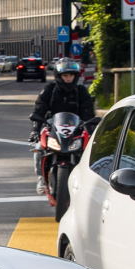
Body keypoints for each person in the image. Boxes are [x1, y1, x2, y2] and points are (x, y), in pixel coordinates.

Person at [29, 57, 97, 191]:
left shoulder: (81, 91)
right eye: (65, 75)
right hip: (52, 128)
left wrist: (91, 133)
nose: (69, 78)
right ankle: (42, 179)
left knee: (88, 153)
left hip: (76, 131)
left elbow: (88, 114)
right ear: (58, 76)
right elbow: (39, 108)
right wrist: (35, 130)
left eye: (71, 75)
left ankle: (87, 181)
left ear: (76, 76)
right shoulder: (49, 89)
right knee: (38, 148)